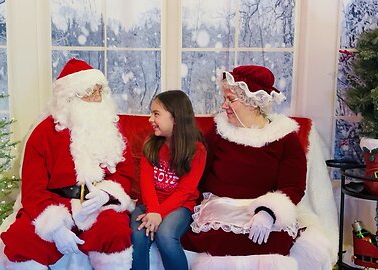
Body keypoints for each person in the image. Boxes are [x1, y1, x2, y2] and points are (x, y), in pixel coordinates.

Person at [182, 65, 335, 269]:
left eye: (231, 99)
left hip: (264, 212)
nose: (224, 105)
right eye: (225, 98)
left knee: (275, 241)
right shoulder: (219, 133)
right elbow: (197, 176)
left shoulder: (284, 138)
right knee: (220, 239)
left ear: (252, 102)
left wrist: (268, 212)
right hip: (222, 209)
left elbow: (293, 186)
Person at [0, 58, 135, 270]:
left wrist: (108, 194)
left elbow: (124, 173)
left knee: (115, 232)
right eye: (90, 93)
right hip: (55, 203)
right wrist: (54, 227)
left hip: (97, 205)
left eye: (99, 92)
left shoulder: (111, 130)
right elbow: (33, 190)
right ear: (70, 97)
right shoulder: (42, 134)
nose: (97, 99)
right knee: (23, 240)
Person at [130, 90, 207, 270]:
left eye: (156, 114)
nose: (150, 119)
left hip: (180, 206)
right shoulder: (150, 144)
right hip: (149, 203)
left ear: (176, 118)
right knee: (138, 233)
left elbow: (185, 191)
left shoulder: (197, 150)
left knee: (166, 234)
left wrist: (159, 213)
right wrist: (153, 211)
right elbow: (146, 183)